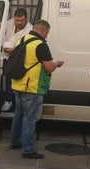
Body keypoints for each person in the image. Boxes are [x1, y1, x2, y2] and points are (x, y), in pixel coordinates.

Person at [9, 20, 64, 159]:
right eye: (47, 33)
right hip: (32, 87)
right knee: (30, 118)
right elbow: (49, 67)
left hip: (18, 84)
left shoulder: (23, 39)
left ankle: (14, 142)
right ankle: (27, 149)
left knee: (18, 114)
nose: (47, 36)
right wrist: (56, 63)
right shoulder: (41, 45)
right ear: (43, 31)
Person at [1, 8, 33, 111]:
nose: (18, 23)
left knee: (12, 81)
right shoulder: (10, 22)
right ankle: (6, 99)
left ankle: (10, 101)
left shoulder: (30, 30)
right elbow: (1, 26)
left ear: (26, 19)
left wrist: (13, 50)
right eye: (17, 21)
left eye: (21, 21)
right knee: (5, 80)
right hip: (5, 56)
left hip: (18, 60)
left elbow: (26, 47)